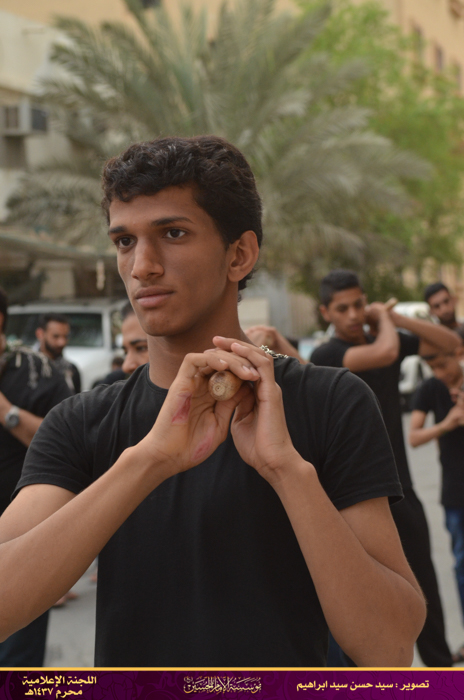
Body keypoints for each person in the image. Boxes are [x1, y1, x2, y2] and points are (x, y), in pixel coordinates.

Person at [0, 137, 425, 668]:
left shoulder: (330, 401)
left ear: (239, 254)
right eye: (125, 241)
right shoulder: (81, 422)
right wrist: (149, 460)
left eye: (172, 233)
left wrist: (287, 471)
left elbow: (389, 648)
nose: (142, 266)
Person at [311, 269, 460, 667]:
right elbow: (386, 354)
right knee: (364, 603)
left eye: (359, 304)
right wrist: (385, 323)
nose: (353, 315)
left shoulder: (383, 334)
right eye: (342, 308)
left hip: (402, 489)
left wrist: (392, 317)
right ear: (326, 313)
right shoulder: (328, 354)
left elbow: (450, 342)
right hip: (354, 499)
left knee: (425, 590)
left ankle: (440, 676)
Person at [0, 288, 72, 666]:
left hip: (24, 537)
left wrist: (6, 411)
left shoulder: (40, 374)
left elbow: (66, 445)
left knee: (17, 662)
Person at [409, 342, 464, 664]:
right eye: (433, 368)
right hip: (456, 491)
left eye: (443, 365)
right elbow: (414, 436)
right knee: (462, 566)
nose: (440, 373)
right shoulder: (431, 388)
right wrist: (447, 424)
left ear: (457, 354)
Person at [35, 313, 81, 393]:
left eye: (65, 337)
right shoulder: (30, 368)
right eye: (56, 336)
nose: (61, 342)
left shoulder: (71, 370)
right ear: (40, 334)